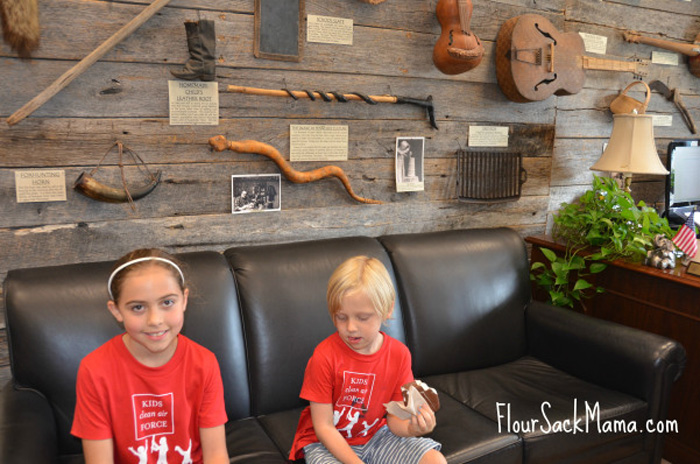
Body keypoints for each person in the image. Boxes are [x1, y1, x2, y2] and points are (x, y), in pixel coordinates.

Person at [71, 249, 229, 464]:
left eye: (167, 302)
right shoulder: (94, 370)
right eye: (138, 307)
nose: (155, 320)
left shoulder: (204, 362)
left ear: (184, 300)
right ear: (116, 311)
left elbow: (216, 456)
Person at [289, 256, 447, 464]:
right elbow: (324, 428)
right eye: (341, 317)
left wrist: (411, 428)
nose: (351, 327)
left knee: (434, 460)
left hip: (377, 436)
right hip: (325, 444)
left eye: (363, 317)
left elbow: (394, 417)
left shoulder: (399, 355)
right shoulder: (324, 356)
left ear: (388, 309)